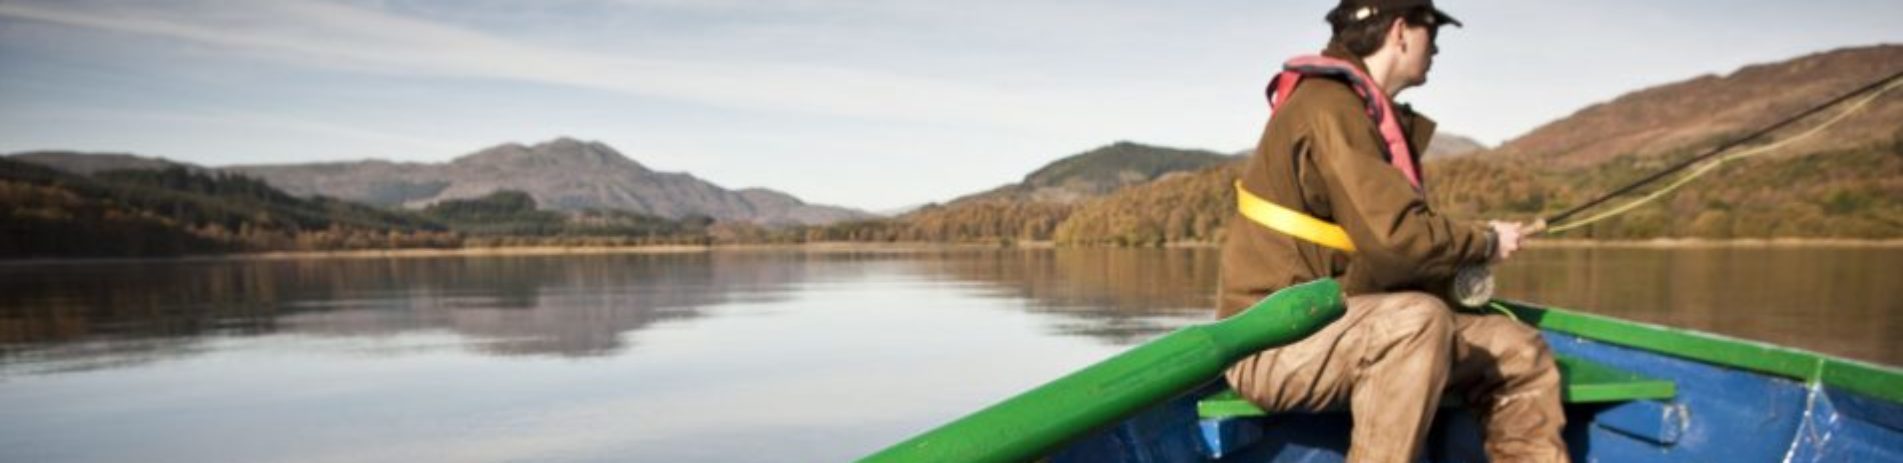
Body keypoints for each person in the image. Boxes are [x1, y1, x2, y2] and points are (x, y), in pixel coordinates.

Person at [1218, 0, 1567, 461]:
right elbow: (1397, 244)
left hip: (1339, 324)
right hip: (1274, 343)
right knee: (1417, 322)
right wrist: (1485, 242)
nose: (1437, 46)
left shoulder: (1359, 111)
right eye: (1431, 30)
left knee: (1517, 349)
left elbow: (1385, 249)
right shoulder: (1328, 107)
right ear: (1401, 31)